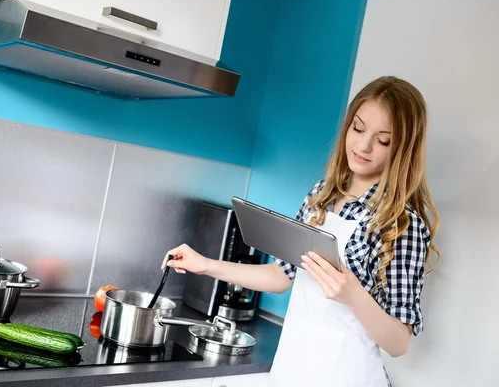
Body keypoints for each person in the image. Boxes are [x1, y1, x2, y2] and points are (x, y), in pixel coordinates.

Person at [162, 76, 440, 387]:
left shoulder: (402, 224)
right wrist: (206, 265)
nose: (363, 145)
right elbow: (282, 277)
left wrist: (353, 296)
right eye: (358, 128)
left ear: (403, 148)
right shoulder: (321, 195)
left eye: (383, 139)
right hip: (292, 372)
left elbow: (400, 343)